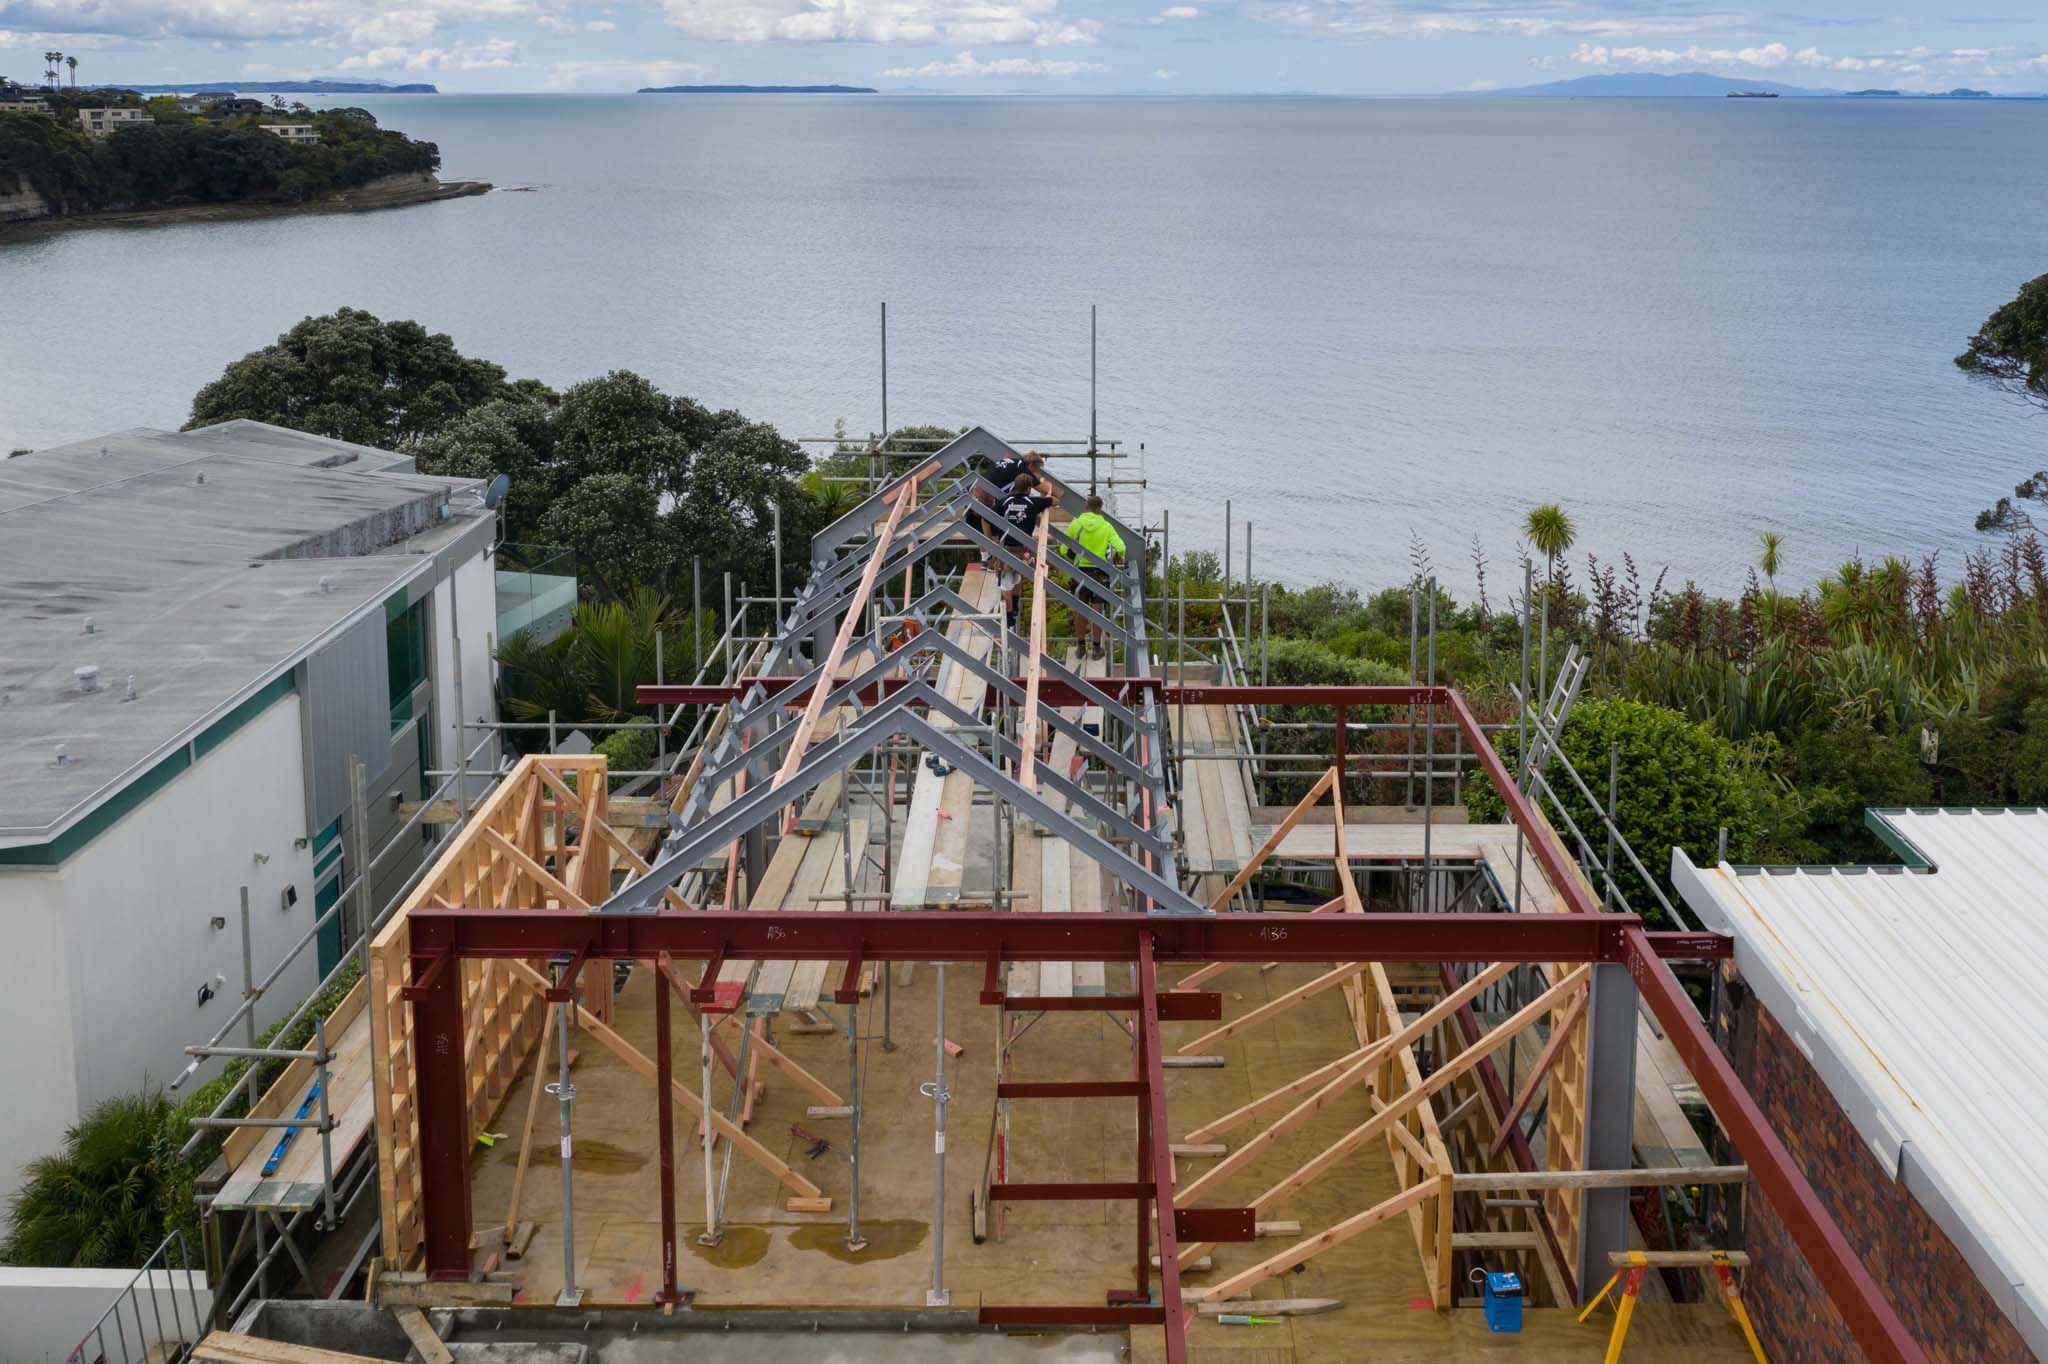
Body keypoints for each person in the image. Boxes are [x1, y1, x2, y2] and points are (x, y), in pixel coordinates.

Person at [1061, 494, 1126, 659]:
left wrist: (1075, 557)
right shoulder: (1106, 526)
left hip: (1080, 572)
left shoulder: (1075, 524)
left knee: (1081, 610)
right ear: (1099, 509)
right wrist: (1118, 556)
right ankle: (1096, 648)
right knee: (1098, 611)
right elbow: (1121, 547)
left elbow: (1063, 549)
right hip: (1100, 573)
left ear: (1086, 507)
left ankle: (1081, 647)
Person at [995, 470, 1056, 625]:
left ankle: (1008, 620)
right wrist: (1045, 494)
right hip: (1023, 550)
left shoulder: (1002, 502)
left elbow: (990, 519)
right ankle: (1013, 609)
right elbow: (1054, 501)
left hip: (1005, 549)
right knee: (1015, 579)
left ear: (1015, 486)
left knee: (1005, 585)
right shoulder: (1033, 503)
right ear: (1029, 489)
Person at [975, 449, 1047, 562]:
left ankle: (986, 559)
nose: (1035, 473)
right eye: (1036, 469)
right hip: (987, 496)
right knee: (992, 528)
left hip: (978, 489)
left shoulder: (1011, 461)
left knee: (983, 527)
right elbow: (1043, 488)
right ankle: (992, 560)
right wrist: (1049, 487)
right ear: (1031, 464)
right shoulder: (1022, 468)